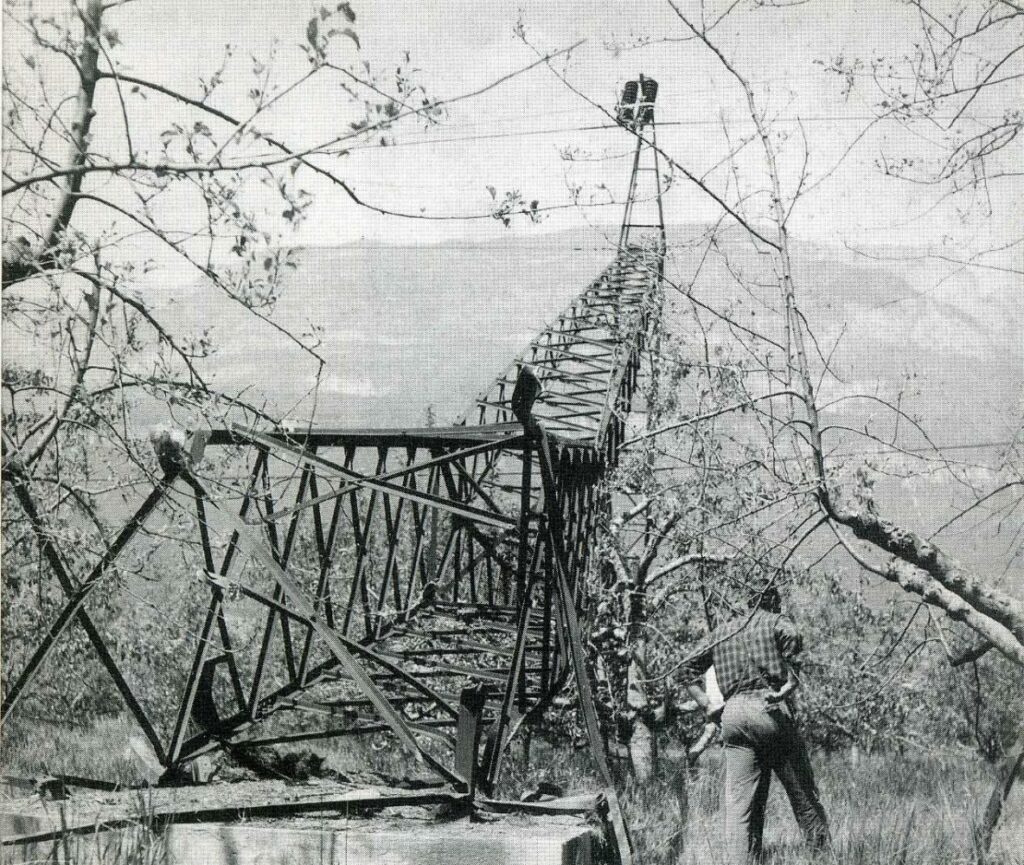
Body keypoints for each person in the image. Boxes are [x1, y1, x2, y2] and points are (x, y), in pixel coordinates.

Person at [679, 585, 831, 864]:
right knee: (803, 796)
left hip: (733, 714)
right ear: (772, 601)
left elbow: (685, 667)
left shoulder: (722, 632)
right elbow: (793, 636)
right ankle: (823, 858)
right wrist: (791, 680)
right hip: (770, 708)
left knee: (740, 805)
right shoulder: (773, 620)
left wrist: (707, 704)